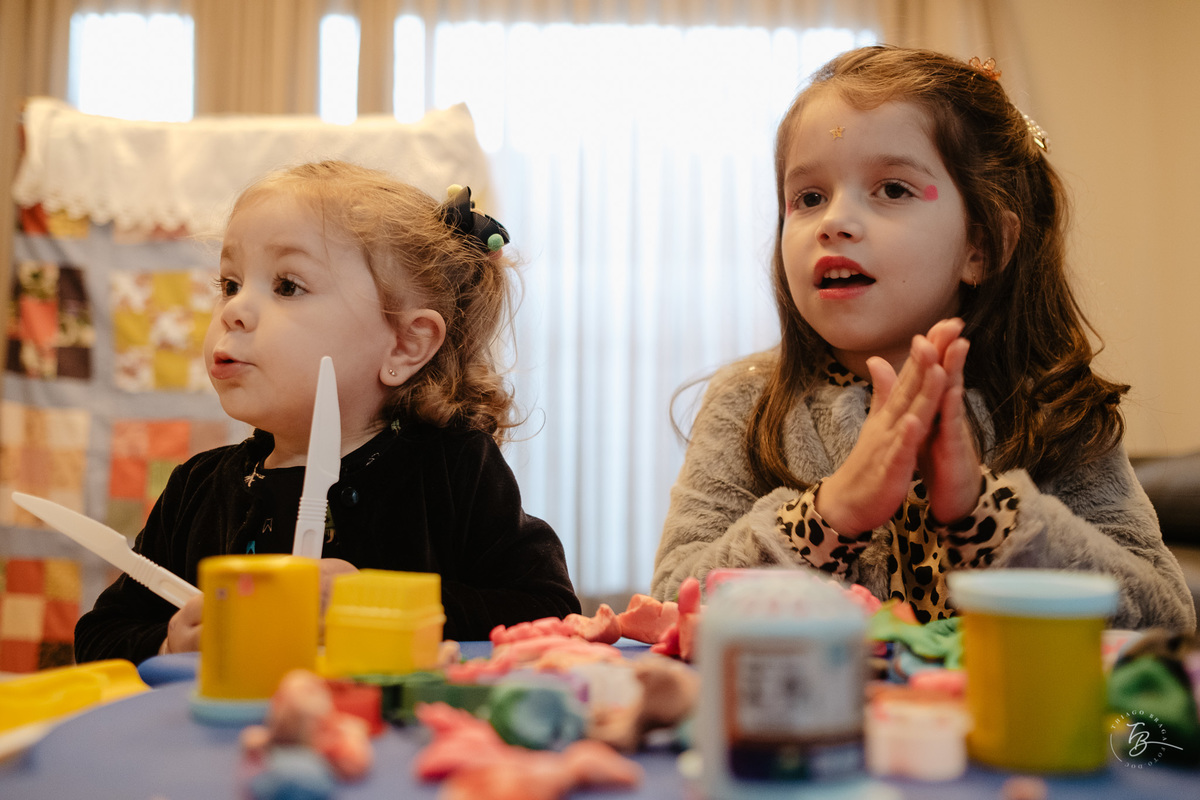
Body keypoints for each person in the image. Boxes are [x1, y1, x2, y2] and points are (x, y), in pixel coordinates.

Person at [651, 46, 1195, 631]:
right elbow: (671, 606)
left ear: (980, 246)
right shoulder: (747, 401)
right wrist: (830, 516)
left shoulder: (1052, 402)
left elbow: (1165, 617)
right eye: (809, 198)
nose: (834, 221)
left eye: (892, 190)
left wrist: (984, 515)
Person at [76, 161, 581, 664]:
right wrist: (169, 644)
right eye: (230, 284)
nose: (233, 310)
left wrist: (376, 603)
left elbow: (551, 612)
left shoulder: (452, 469)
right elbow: (99, 637)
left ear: (405, 345)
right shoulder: (196, 488)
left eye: (287, 286)